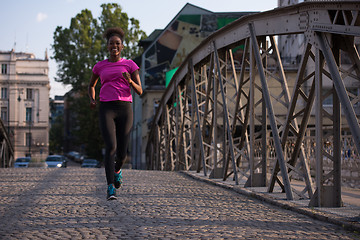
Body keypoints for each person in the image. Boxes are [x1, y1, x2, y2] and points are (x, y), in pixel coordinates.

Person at [88, 27, 142, 200]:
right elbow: (91, 85)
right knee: (111, 147)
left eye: (117, 43)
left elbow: (140, 90)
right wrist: (92, 99)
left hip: (125, 108)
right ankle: (110, 187)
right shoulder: (100, 66)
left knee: (122, 153)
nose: (114, 46)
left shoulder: (130, 65)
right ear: (107, 46)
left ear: (122, 47)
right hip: (106, 108)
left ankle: (118, 170)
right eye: (111, 43)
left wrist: (130, 81)